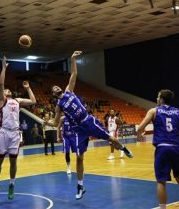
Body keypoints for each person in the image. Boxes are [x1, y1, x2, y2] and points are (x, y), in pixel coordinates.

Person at [43, 50, 133, 200]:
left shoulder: (69, 91)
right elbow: (56, 122)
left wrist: (72, 59)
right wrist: (48, 122)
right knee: (79, 158)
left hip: (88, 121)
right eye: (54, 89)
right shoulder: (58, 106)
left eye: (57, 87)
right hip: (78, 129)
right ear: (53, 94)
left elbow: (74, 74)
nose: (57, 88)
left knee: (110, 139)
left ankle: (123, 148)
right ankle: (80, 186)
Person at [137, 89, 179, 209]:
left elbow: (140, 127)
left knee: (161, 181)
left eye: (158, 97)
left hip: (163, 148)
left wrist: (139, 135)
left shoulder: (154, 111)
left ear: (162, 99)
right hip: (177, 148)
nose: (157, 99)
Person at [0, 56, 36, 200]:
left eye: (8, 90)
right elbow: (1, 84)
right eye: (6, 90)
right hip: (4, 132)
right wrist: (4, 68)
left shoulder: (17, 100)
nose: (7, 90)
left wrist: (28, 88)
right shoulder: (1, 100)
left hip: (15, 134)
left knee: (13, 161)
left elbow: (33, 101)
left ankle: (11, 184)